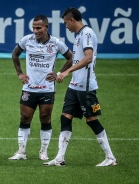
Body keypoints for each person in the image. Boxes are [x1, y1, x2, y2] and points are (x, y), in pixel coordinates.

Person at [44, 7, 117, 167]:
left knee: (91, 119)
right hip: (74, 86)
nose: (66, 26)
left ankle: (110, 158)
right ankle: (60, 158)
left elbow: (88, 58)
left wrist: (67, 71)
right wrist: (59, 73)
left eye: (65, 23)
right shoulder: (79, 35)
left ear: (72, 20)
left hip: (86, 87)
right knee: (65, 117)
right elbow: (74, 60)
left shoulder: (87, 33)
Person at [9, 15, 73, 160]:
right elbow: (15, 54)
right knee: (25, 118)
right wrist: (19, 73)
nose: (36, 31)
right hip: (29, 87)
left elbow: (71, 57)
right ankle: (21, 152)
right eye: (33, 28)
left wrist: (59, 73)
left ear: (46, 27)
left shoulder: (56, 43)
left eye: (38, 28)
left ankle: (43, 151)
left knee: (45, 118)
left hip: (47, 89)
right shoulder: (27, 40)